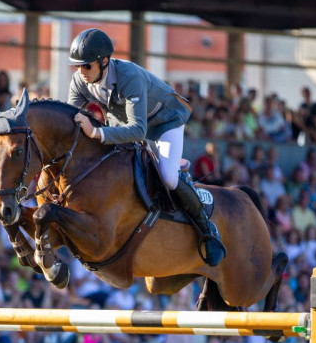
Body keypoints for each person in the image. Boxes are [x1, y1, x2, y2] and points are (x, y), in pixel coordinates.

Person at [66, 28, 225, 267]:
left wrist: (97, 132)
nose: (81, 72)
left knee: (169, 178)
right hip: (126, 124)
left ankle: (207, 228)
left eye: (86, 66)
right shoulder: (80, 81)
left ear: (104, 60)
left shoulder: (129, 76)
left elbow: (138, 130)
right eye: (78, 66)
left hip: (165, 122)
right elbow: (72, 119)